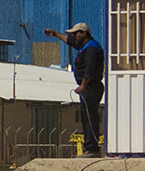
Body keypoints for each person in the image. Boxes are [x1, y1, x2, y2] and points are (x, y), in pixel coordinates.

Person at [44, 22, 105, 158]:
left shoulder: (91, 48)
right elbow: (69, 41)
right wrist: (55, 34)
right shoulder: (84, 45)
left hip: (91, 87)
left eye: (76, 34)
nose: (73, 36)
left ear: (83, 33)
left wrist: (83, 86)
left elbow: (89, 69)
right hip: (87, 88)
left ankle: (92, 148)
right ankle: (89, 147)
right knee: (85, 117)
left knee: (90, 118)